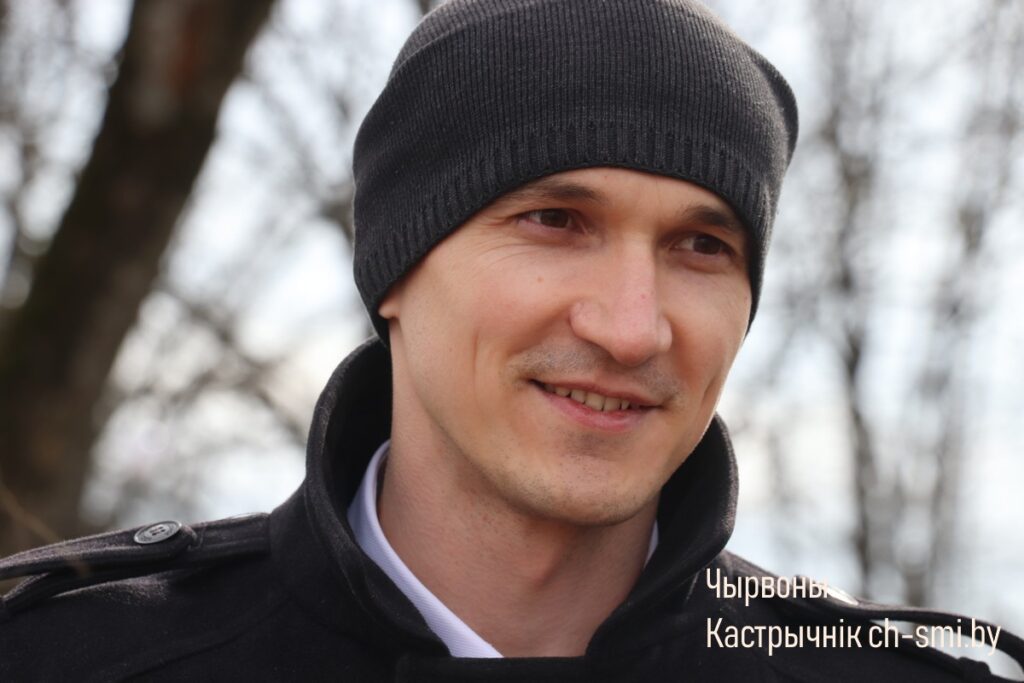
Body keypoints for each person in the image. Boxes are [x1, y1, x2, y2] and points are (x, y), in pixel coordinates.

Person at [1, 0, 1021, 680]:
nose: (631, 326)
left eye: (701, 246)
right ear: (393, 271)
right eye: (554, 221)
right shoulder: (70, 658)